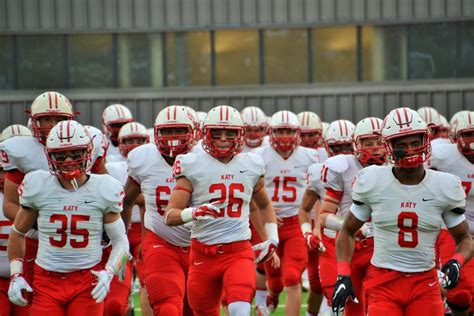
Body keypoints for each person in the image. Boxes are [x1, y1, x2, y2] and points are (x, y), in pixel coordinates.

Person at [333, 107, 472, 316]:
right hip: (384, 283)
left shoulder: (443, 185)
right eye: (402, 145)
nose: (410, 150)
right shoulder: (373, 180)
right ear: (389, 147)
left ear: (425, 141)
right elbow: (347, 231)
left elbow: (464, 238)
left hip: (425, 283)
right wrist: (343, 275)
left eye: (415, 143)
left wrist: (456, 261)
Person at [164, 105, 279, 316]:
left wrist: (272, 238)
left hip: (238, 251)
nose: (224, 139)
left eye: (230, 133)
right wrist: (194, 212)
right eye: (217, 134)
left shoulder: (252, 164)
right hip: (202, 254)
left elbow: (263, 205)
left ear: (240, 134)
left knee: (240, 310)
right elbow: (170, 216)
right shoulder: (192, 164)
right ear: (206, 134)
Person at [7, 120, 129, 315]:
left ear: (87, 153)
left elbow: (121, 242)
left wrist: (109, 272)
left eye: (75, 153)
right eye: (61, 155)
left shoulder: (103, 187)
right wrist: (16, 274)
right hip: (46, 281)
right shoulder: (38, 184)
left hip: (87, 279)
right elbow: (18, 232)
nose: (68, 160)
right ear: (50, 156)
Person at [1, 91, 75, 311]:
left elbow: (104, 188)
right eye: (47, 118)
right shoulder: (22, 151)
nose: (53, 125)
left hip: (80, 237)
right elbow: (10, 205)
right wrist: (40, 223)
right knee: (39, 303)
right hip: (38, 240)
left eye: (60, 119)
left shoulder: (87, 141)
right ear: (34, 121)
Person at [122, 105, 196, 315]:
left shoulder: (202, 158)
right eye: (166, 131)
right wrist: (122, 238)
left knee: (196, 309)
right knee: (167, 307)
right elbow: (126, 200)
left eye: (179, 130)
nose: (172, 137)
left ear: (192, 132)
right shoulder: (143, 159)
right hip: (161, 243)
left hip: (199, 244)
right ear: (156, 133)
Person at [253, 110, 320, 316]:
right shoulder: (258, 156)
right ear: (270, 132)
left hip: (295, 223)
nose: (284, 136)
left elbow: (316, 195)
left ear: (297, 132)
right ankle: (272, 293)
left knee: (292, 276)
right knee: (274, 278)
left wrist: (314, 225)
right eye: (279, 131)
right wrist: (267, 215)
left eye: (288, 131)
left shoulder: (310, 156)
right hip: (269, 224)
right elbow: (251, 196)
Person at [429, 110, 474, 315]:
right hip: (453, 227)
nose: (472, 140)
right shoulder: (441, 155)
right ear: (455, 137)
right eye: (468, 134)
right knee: (458, 292)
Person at [106, 121, 150, 315]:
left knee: (150, 284)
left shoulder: (155, 163)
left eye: (139, 140)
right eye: (129, 140)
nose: (134, 145)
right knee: (116, 294)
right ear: (120, 143)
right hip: (119, 231)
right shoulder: (112, 166)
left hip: (145, 231)